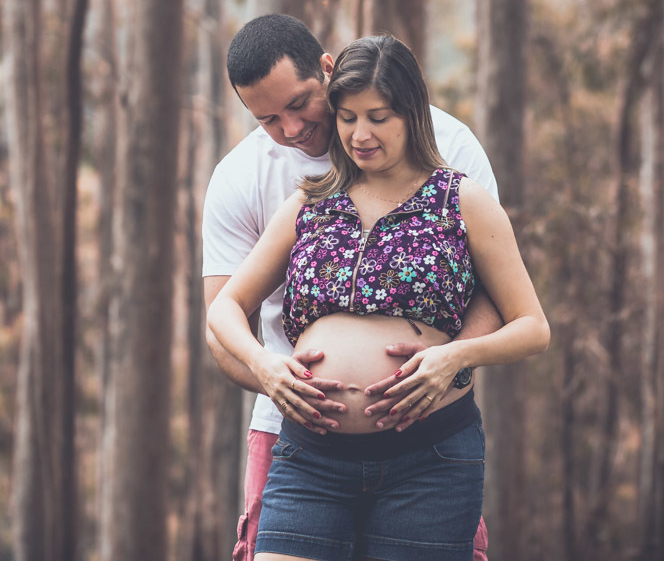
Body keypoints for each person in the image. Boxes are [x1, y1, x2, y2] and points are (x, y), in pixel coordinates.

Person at [207, 34, 550, 560]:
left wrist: (454, 357)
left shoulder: (462, 197)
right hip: (311, 456)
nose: (359, 134)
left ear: (411, 112)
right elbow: (225, 307)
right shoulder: (309, 200)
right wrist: (265, 365)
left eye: (378, 117)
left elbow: (530, 324)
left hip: (427, 454)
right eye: (347, 118)